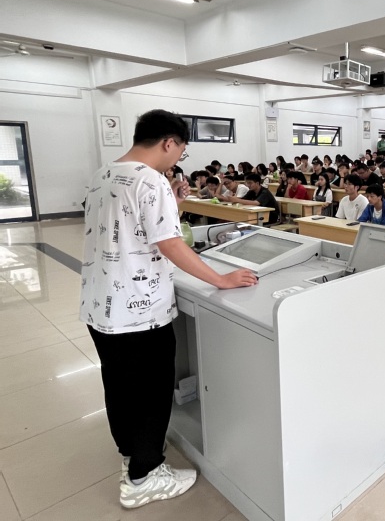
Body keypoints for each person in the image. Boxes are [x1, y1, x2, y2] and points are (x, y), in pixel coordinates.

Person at [80, 110, 258, 509]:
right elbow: (171, 245)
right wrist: (221, 279)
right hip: (139, 311)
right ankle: (144, 476)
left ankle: (132, 453)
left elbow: (131, 229)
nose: (178, 158)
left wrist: (172, 205)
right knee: (149, 391)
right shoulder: (151, 180)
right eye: (181, 150)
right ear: (168, 142)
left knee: (120, 386)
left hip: (102, 305)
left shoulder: (102, 174)